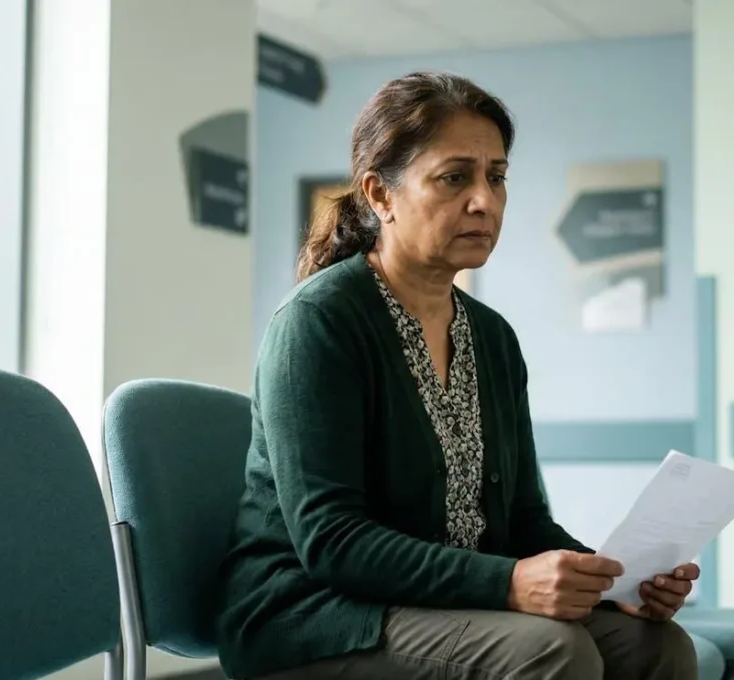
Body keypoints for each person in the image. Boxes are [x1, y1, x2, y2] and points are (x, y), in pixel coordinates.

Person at [215, 71, 700, 680]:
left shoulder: (493, 337)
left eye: (496, 177)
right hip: (314, 615)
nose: (484, 201)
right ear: (379, 195)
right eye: (454, 178)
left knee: (657, 645)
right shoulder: (319, 323)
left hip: (447, 603)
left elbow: (524, 520)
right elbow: (331, 541)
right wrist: (509, 581)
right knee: (554, 652)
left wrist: (611, 580)